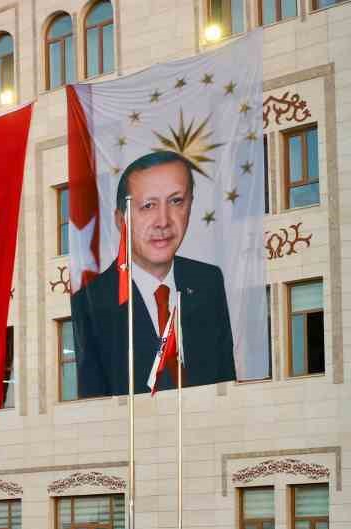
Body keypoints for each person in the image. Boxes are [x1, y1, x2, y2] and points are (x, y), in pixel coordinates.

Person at [75, 150, 236, 397]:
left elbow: (225, 382)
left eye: (176, 201)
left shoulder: (208, 282)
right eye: (148, 206)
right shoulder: (93, 301)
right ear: (121, 220)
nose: (163, 221)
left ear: (190, 207)